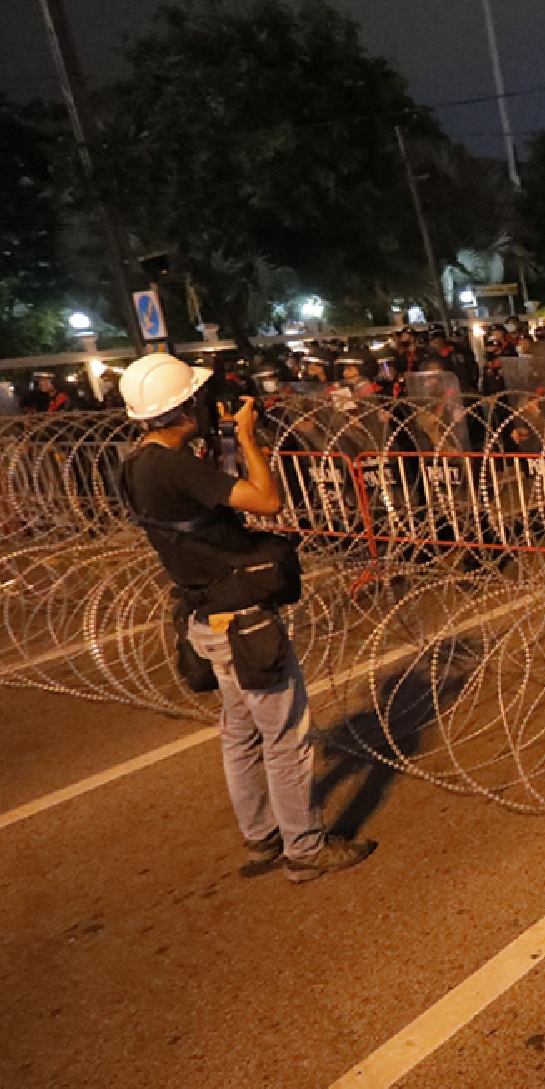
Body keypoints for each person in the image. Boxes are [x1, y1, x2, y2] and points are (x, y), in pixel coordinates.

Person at [117, 353, 373, 883]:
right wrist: (250, 437)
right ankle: (304, 849)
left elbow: (208, 508)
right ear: (184, 407)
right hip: (242, 617)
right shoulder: (174, 465)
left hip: (205, 615)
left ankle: (262, 836)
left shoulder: (137, 465)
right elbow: (268, 500)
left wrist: (224, 444)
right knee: (285, 737)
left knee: (240, 732)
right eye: (199, 399)